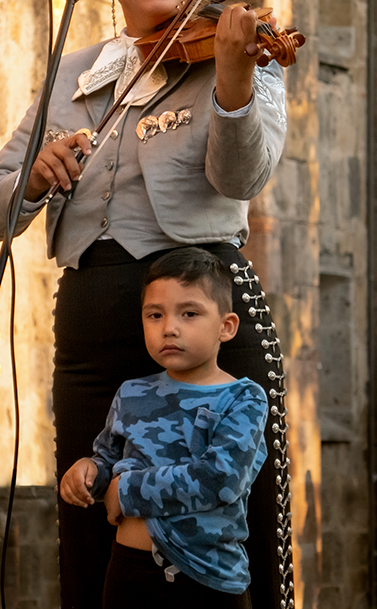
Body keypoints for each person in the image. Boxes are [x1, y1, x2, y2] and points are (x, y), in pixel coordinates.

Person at [0, 0, 293, 609]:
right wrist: (38, 176)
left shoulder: (239, 51)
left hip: (203, 313)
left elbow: (240, 179)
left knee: (237, 529)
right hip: (92, 322)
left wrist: (234, 80)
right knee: (90, 523)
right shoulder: (76, 74)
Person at [60, 248, 268, 609]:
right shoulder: (132, 392)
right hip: (128, 575)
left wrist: (129, 491)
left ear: (226, 326)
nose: (169, 327)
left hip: (206, 580)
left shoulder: (243, 398)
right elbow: (108, 461)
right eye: (155, 315)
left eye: (189, 313)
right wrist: (88, 473)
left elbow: (219, 480)